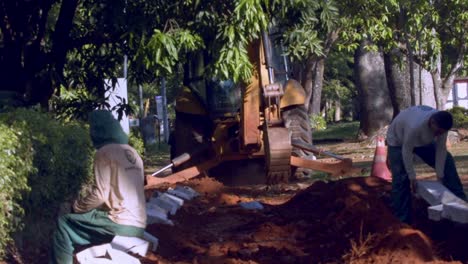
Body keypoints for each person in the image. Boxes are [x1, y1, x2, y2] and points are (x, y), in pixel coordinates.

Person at [50, 110, 147, 264]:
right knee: (91, 220)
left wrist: (77, 207)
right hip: (140, 225)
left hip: (120, 223)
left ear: (98, 130)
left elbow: (100, 194)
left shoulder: (104, 152)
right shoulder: (133, 153)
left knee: (65, 223)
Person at [386, 105, 467, 224]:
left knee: (447, 162)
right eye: (438, 131)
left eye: (442, 132)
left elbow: (441, 150)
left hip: (422, 141)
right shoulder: (414, 126)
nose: (439, 135)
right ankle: (402, 220)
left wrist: (440, 174)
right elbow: (406, 151)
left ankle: (462, 210)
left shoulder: (441, 125)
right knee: (401, 179)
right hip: (398, 141)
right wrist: (412, 176)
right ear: (432, 122)